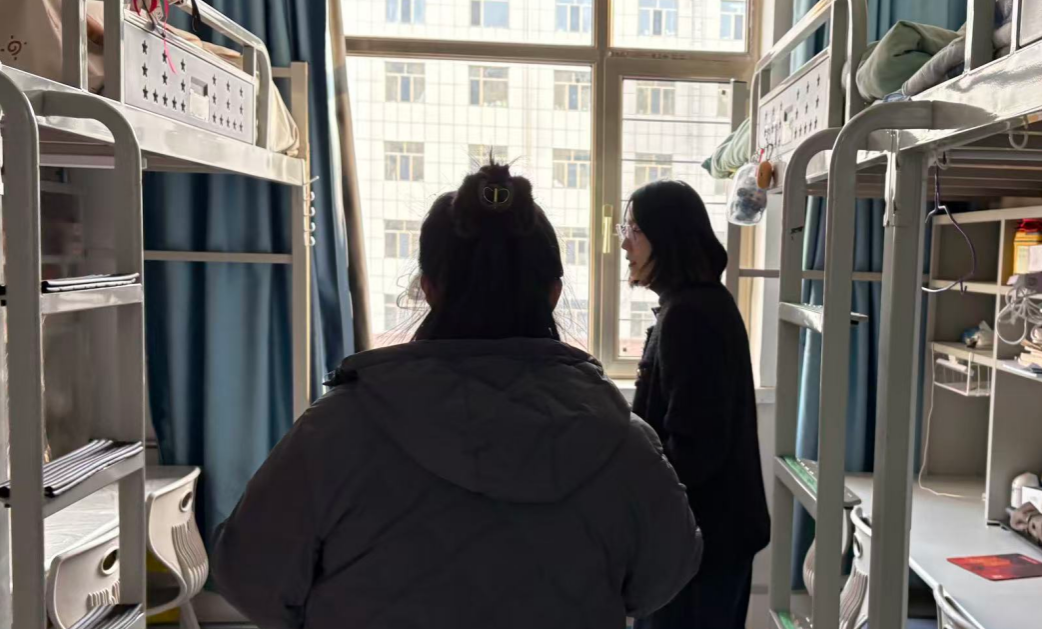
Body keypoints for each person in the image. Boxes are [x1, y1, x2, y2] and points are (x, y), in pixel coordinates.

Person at [211, 163, 703, 629]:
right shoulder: (624, 443)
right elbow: (663, 576)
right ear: (553, 293)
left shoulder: (334, 431)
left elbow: (249, 577)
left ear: (428, 288)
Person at [622, 180, 770, 629]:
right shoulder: (693, 305)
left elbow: (695, 448)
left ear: (666, 237)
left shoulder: (690, 315)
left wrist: (639, 506)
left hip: (701, 542)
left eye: (634, 230)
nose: (625, 244)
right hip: (708, 536)